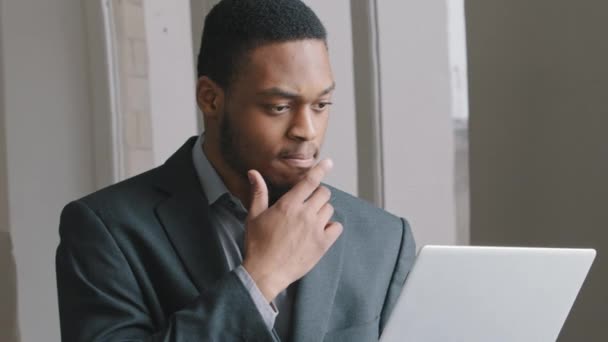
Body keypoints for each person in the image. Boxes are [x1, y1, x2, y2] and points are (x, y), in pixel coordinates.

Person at [55, 0, 415, 341]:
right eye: (279, 106)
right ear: (210, 99)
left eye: (321, 104)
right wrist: (258, 281)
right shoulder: (105, 230)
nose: (306, 129)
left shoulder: (384, 239)